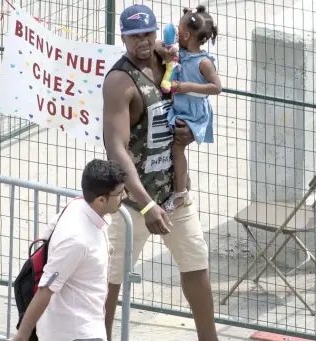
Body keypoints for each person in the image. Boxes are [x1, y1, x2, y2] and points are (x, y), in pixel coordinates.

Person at [103, 4, 219, 341]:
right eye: (134, 35)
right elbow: (116, 149)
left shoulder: (168, 57)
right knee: (110, 280)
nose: (142, 41)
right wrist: (145, 204)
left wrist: (192, 133)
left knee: (196, 266)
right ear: (122, 37)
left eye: (148, 33)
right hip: (131, 204)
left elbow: (199, 103)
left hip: (175, 196)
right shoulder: (119, 82)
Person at [12, 159, 127, 341]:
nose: (125, 196)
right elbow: (45, 290)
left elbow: (49, 232)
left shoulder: (78, 206)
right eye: (120, 193)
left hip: (87, 325)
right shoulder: (76, 241)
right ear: (101, 200)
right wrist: (21, 337)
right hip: (76, 333)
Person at [160, 5, 222, 211]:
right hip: (181, 106)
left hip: (194, 112)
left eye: (178, 29)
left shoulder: (203, 62)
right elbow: (161, 46)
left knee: (178, 148)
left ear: (187, 35)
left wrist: (186, 87)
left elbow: (216, 87)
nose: (175, 32)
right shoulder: (182, 52)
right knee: (172, 144)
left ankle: (181, 194)